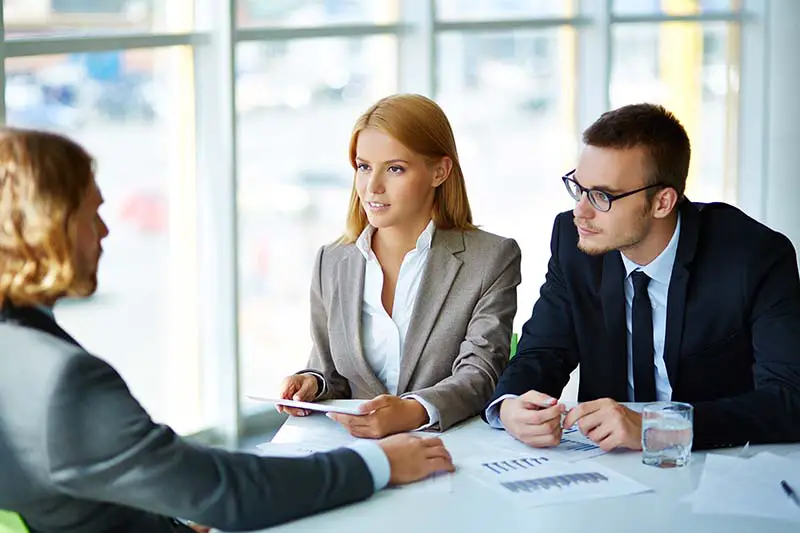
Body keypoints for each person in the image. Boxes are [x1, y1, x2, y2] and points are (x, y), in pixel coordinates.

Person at [0, 128, 455, 533]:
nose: (104, 231)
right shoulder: (63, 382)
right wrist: (378, 463)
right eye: (91, 213)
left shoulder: (18, 345)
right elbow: (230, 494)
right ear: (48, 225)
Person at [484, 103, 800, 451]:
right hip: (608, 464)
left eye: (602, 196)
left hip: (721, 464)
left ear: (662, 202)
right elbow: (543, 351)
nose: (580, 211)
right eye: (579, 188)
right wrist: (512, 405)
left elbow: (789, 399)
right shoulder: (573, 241)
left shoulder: (754, 257)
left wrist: (660, 427)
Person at [277, 94, 522, 437]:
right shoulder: (331, 261)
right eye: (363, 167)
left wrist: (412, 411)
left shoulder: (491, 258)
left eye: (395, 169)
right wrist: (312, 383)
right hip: (354, 452)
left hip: (449, 448)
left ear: (440, 171)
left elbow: (480, 375)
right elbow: (330, 371)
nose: (372, 187)